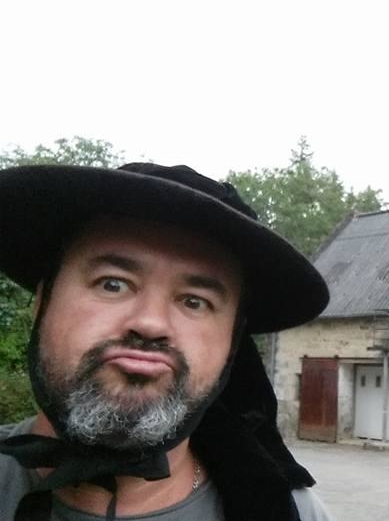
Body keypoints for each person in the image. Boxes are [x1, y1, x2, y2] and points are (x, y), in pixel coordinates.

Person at [0, 163, 333, 520]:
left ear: (232, 344)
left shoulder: (293, 513)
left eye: (195, 302)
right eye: (112, 283)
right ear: (42, 302)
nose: (150, 323)